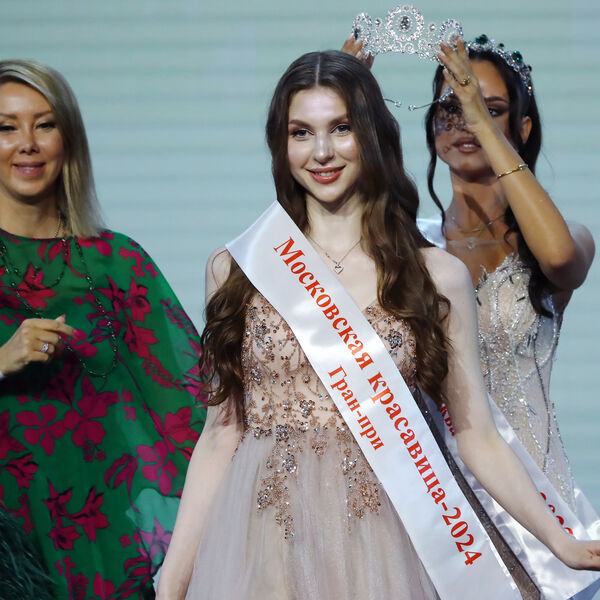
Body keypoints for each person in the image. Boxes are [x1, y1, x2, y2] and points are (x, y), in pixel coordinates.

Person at [156, 50, 600, 600]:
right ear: (280, 143)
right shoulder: (239, 268)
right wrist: (171, 584)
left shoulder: (435, 276)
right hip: (263, 536)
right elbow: (220, 435)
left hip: (384, 539)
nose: (322, 152)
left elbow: (477, 436)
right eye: (301, 132)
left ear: (372, 134)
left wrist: (560, 542)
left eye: (341, 128)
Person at [0, 59, 206, 599]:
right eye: (6, 127)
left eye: (45, 124)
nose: (27, 143)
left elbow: (193, 410)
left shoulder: (117, 262)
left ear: (69, 138)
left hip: (100, 550)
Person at [416, 36, 595, 511]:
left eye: (488, 107)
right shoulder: (408, 246)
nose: (465, 120)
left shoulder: (562, 239)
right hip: (440, 507)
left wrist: (482, 123)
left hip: (538, 502)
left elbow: (560, 259)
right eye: (450, 107)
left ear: (522, 126)